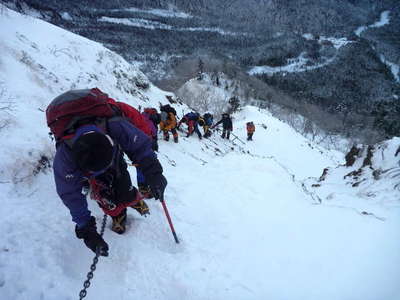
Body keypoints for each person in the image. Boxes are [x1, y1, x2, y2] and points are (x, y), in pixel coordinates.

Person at [48, 89, 167, 256]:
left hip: (110, 153)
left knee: (120, 176)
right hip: (92, 159)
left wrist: (154, 174)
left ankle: (131, 199)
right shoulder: (65, 157)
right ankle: (117, 212)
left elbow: (139, 146)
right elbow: (69, 193)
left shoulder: (114, 124)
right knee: (104, 192)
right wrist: (86, 228)